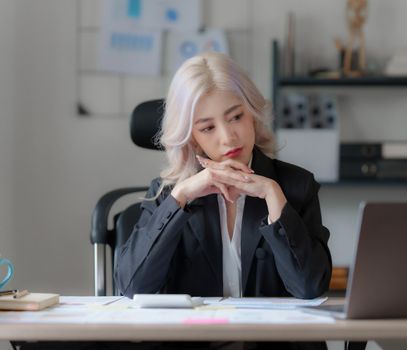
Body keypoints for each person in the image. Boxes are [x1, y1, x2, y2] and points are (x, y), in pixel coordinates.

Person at [114, 51, 332, 350]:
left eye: (236, 117)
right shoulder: (169, 193)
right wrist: (181, 196)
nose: (228, 137)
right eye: (207, 128)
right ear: (191, 137)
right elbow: (132, 287)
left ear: (253, 114)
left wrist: (273, 197)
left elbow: (309, 287)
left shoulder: (295, 187)